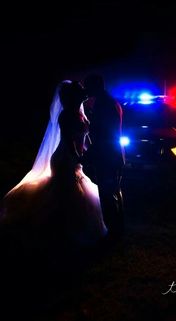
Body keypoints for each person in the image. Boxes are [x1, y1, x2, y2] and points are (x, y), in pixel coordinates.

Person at [0, 80, 107, 248]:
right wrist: (79, 158)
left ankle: (68, 229)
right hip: (64, 158)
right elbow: (68, 141)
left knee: (72, 194)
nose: (85, 92)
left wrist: (91, 151)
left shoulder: (81, 114)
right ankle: (59, 231)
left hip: (75, 157)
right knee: (65, 193)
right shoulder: (66, 115)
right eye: (81, 91)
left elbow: (84, 139)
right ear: (73, 96)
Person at [82, 74, 125, 242]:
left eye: (88, 86)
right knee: (114, 193)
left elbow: (103, 136)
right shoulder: (108, 102)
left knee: (108, 195)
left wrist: (88, 155)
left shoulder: (103, 105)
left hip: (107, 156)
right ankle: (117, 229)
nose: (86, 90)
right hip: (113, 154)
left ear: (97, 85)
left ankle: (113, 232)